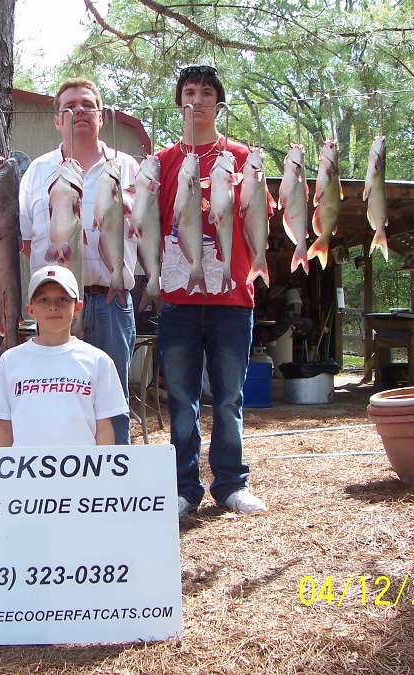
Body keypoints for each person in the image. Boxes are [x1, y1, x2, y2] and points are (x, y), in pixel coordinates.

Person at [156, 65, 268, 517]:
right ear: (179, 102)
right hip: (178, 300)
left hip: (232, 299)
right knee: (181, 398)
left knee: (228, 397)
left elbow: (259, 219)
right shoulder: (162, 162)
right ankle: (184, 488)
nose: (196, 100)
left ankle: (230, 484)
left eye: (206, 93)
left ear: (218, 104)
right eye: (189, 92)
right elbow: (153, 220)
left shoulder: (241, 158)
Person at [18, 78, 139, 445]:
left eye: (87, 105)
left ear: (101, 116)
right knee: (54, 399)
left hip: (109, 300)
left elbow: (147, 232)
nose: (79, 112)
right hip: (54, 305)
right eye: (69, 106)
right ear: (57, 120)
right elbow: (25, 242)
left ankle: (117, 488)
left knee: (111, 400)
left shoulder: (128, 167)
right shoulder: (37, 172)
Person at [0, 266, 129, 447]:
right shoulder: (10, 361)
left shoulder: (98, 361)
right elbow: (5, 427)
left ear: (78, 307)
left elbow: (104, 428)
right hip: (25, 472)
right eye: (43, 300)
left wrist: (104, 473)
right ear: (30, 309)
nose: (53, 307)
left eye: (62, 299)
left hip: (83, 471)